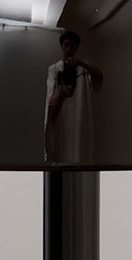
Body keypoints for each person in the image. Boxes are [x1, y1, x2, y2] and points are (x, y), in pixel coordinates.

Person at [44, 30, 103, 162]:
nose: (68, 48)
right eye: (66, 45)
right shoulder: (54, 69)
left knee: (80, 148)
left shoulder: (84, 68)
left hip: (79, 116)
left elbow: (99, 77)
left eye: (72, 45)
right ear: (61, 46)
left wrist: (82, 63)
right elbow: (51, 101)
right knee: (61, 150)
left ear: (76, 47)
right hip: (61, 118)